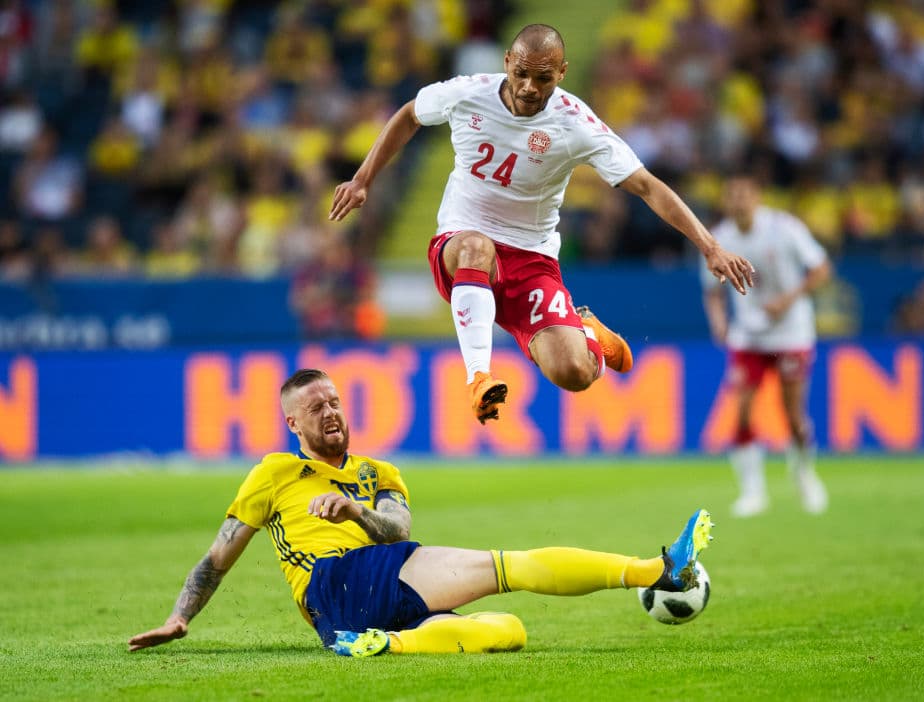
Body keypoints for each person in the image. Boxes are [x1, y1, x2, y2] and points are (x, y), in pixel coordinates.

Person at [329, 23, 754, 424]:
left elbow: (646, 185)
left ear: (562, 73)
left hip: (531, 258)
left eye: (544, 78)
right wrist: (363, 179)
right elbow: (410, 114)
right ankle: (479, 378)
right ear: (507, 61)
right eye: (521, 74)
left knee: (575, 373)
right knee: (476, 246)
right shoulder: (467, 93)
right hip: (461, 244)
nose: (529, 87)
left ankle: (587, 333)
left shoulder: (575, 124)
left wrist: (710, 246)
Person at [128, 368, 714, 657]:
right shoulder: (273, 472)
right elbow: (216, 559)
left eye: (335, 401)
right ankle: (656, 570)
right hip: (331, 583)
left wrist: (355, 512)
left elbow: (397, 530)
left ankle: (385, 644)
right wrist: (180, 618)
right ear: (293, 423)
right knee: (506, 566)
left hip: (357, 607)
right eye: (315, 407)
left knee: (509, 633)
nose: (330, 412)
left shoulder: (379, 474)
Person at [701, 176, 831, 518]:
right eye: (732, 196)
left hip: (791, 332)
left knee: (793, 417)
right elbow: (711, 291)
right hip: (750, 335)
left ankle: (804, 474)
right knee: (742, 412)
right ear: (726, 202)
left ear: (757, 198)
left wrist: (788, 300)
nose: (738, 201)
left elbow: (821, 269)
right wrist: (718, 322)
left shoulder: (784, 228)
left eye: (744, 195)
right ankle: (752, 492)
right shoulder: (720, 238)